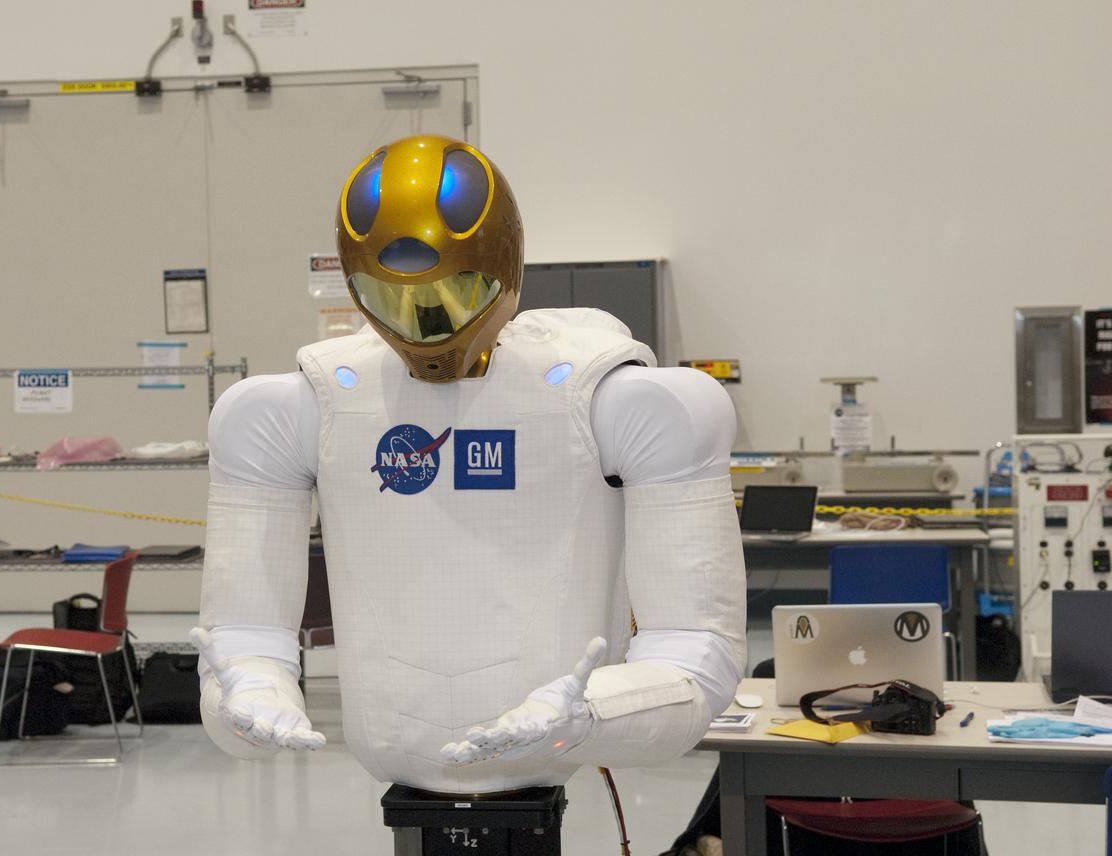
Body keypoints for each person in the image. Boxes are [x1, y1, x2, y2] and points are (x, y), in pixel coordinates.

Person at [192, 134, 747, 795]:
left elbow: (696, 650)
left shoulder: (618, 401)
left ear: (502, 274)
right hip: (394, 737)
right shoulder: (301, 406)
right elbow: (243, 627)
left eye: (452, 294)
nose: (422, 323)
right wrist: (251, 689)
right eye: (390, 298)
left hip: (544, 744)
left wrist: (594, 714)